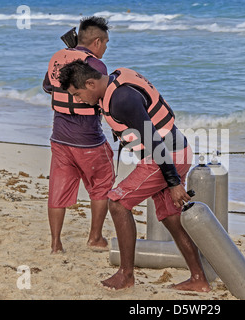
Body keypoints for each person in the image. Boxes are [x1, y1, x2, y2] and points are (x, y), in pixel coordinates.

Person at [58, 60, 211, 292]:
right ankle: (199, 279)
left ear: (90, 83)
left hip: (166, 157)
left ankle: (126, 275)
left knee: (118, 203)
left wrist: (174, 183)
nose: (78, 99)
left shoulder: (122, 100)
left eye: (78, 94)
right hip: (172, 153)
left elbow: (153, 140)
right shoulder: (114, 81)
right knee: (170, 218)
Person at [42, 16, 114, 254]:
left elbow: (47, 86)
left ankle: (55, 244)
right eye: (105, 43)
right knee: (101, 185)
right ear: (96, 41)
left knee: (57, 190)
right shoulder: (97, 65)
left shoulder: (57, 58)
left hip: (59, 138)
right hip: (89, 139)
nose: (105, 49)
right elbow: (104, 96)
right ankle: (95, 238)